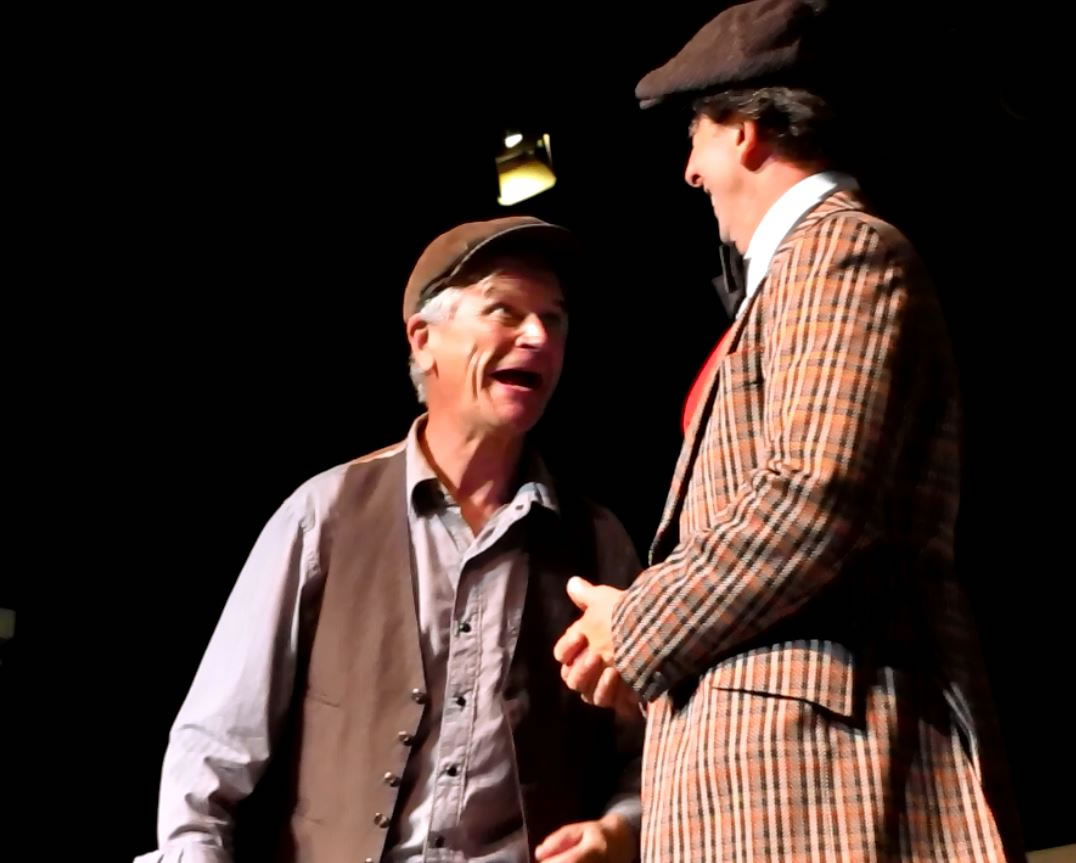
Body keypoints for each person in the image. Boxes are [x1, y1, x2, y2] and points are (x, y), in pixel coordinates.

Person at [553, 2, 1024, 860]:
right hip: (760, 792)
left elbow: (814, 495)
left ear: (745, 132)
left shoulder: (840, 251)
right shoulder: (789, 280)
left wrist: (640, 620)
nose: (690, 172)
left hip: (819, 789)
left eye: (695, 136)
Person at [135, 216, 642, 863]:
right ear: (424, 340)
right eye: (505, 312)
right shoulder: (325, 515)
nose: (538, 336)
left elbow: (651, 748)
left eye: (555, 319)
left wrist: (620, 830)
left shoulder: (596, 542)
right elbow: (214, 745)